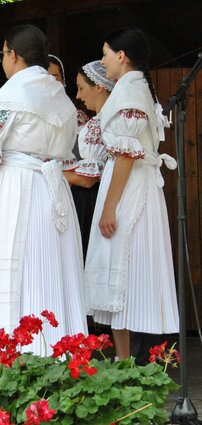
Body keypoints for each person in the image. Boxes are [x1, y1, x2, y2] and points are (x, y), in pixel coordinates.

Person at [0, 24, 87, 355]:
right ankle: (61, 354)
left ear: (12, 54)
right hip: (53, 188)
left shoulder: (12, 92)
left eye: (3, 54)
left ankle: (24, 354)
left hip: (18, 186)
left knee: (19, 268)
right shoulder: (60, 96)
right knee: (54, 269)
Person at [85, 27, 179, 360]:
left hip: (130, 188)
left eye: (105, 53)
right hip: (132, 182)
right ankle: (124, 360)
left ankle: (137, 360)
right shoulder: (133, 88)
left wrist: (110, 207)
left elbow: (126, 154)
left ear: (121, 56)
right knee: (122, 274)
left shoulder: (129, 93)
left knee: (127, 270)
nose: (103, 60)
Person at [64, 61, 115, 258]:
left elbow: (87, 179)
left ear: (99, 86)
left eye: (81, 88)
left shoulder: (100, 123)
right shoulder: (102, 119)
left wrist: (53, 172)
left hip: (91, 201)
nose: (78, 95)